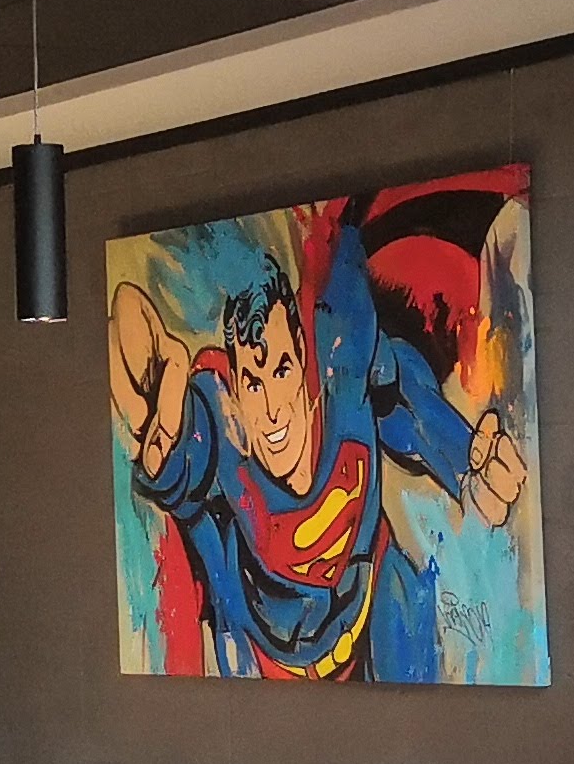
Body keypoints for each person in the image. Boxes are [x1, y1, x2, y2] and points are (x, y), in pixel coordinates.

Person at [109, 224, 528, 683]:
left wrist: (464, 458)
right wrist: (164, 396)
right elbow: (130, 330)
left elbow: (400, 396)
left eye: (281, 370)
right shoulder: (216, 430)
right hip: (272, 669)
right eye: (253, 384)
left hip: (380, 615)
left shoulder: (343, 370)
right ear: (236, 391)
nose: (273, 409)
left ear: (303, 354)